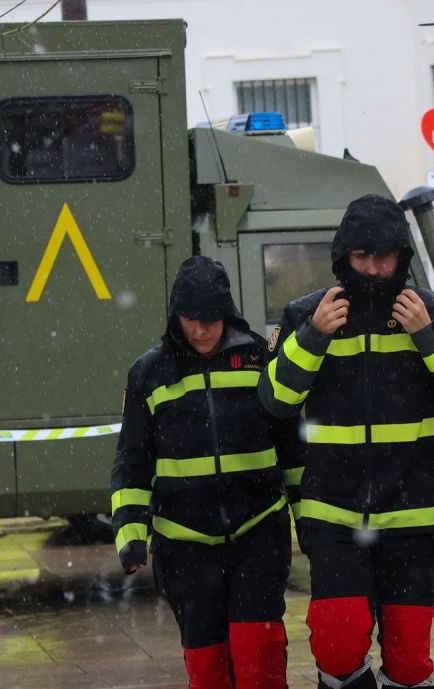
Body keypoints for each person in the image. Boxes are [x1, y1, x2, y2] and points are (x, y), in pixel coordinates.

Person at [258, 194, 434, 689]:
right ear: (343, 256)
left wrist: (427, 337)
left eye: (383, 256)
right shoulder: (309, 313)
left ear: (401, 256)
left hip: (415, 514)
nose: (371, 268)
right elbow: (276, 400)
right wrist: (313, 337)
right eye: (361, 256)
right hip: (334, 515)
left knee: (409, 664)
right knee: (339, 650)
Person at [110, 255, 302, 689]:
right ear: (176, 316)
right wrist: (130, 533)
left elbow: (291, 448)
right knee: (206, 670)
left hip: (258, 533)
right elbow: (132, 461)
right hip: (184, 547)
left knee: (259, 663)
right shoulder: (149, 374)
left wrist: (309, 521)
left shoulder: (259, 360)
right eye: (190, 319)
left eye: (210, 319)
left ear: (227, 313)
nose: (200, 330)